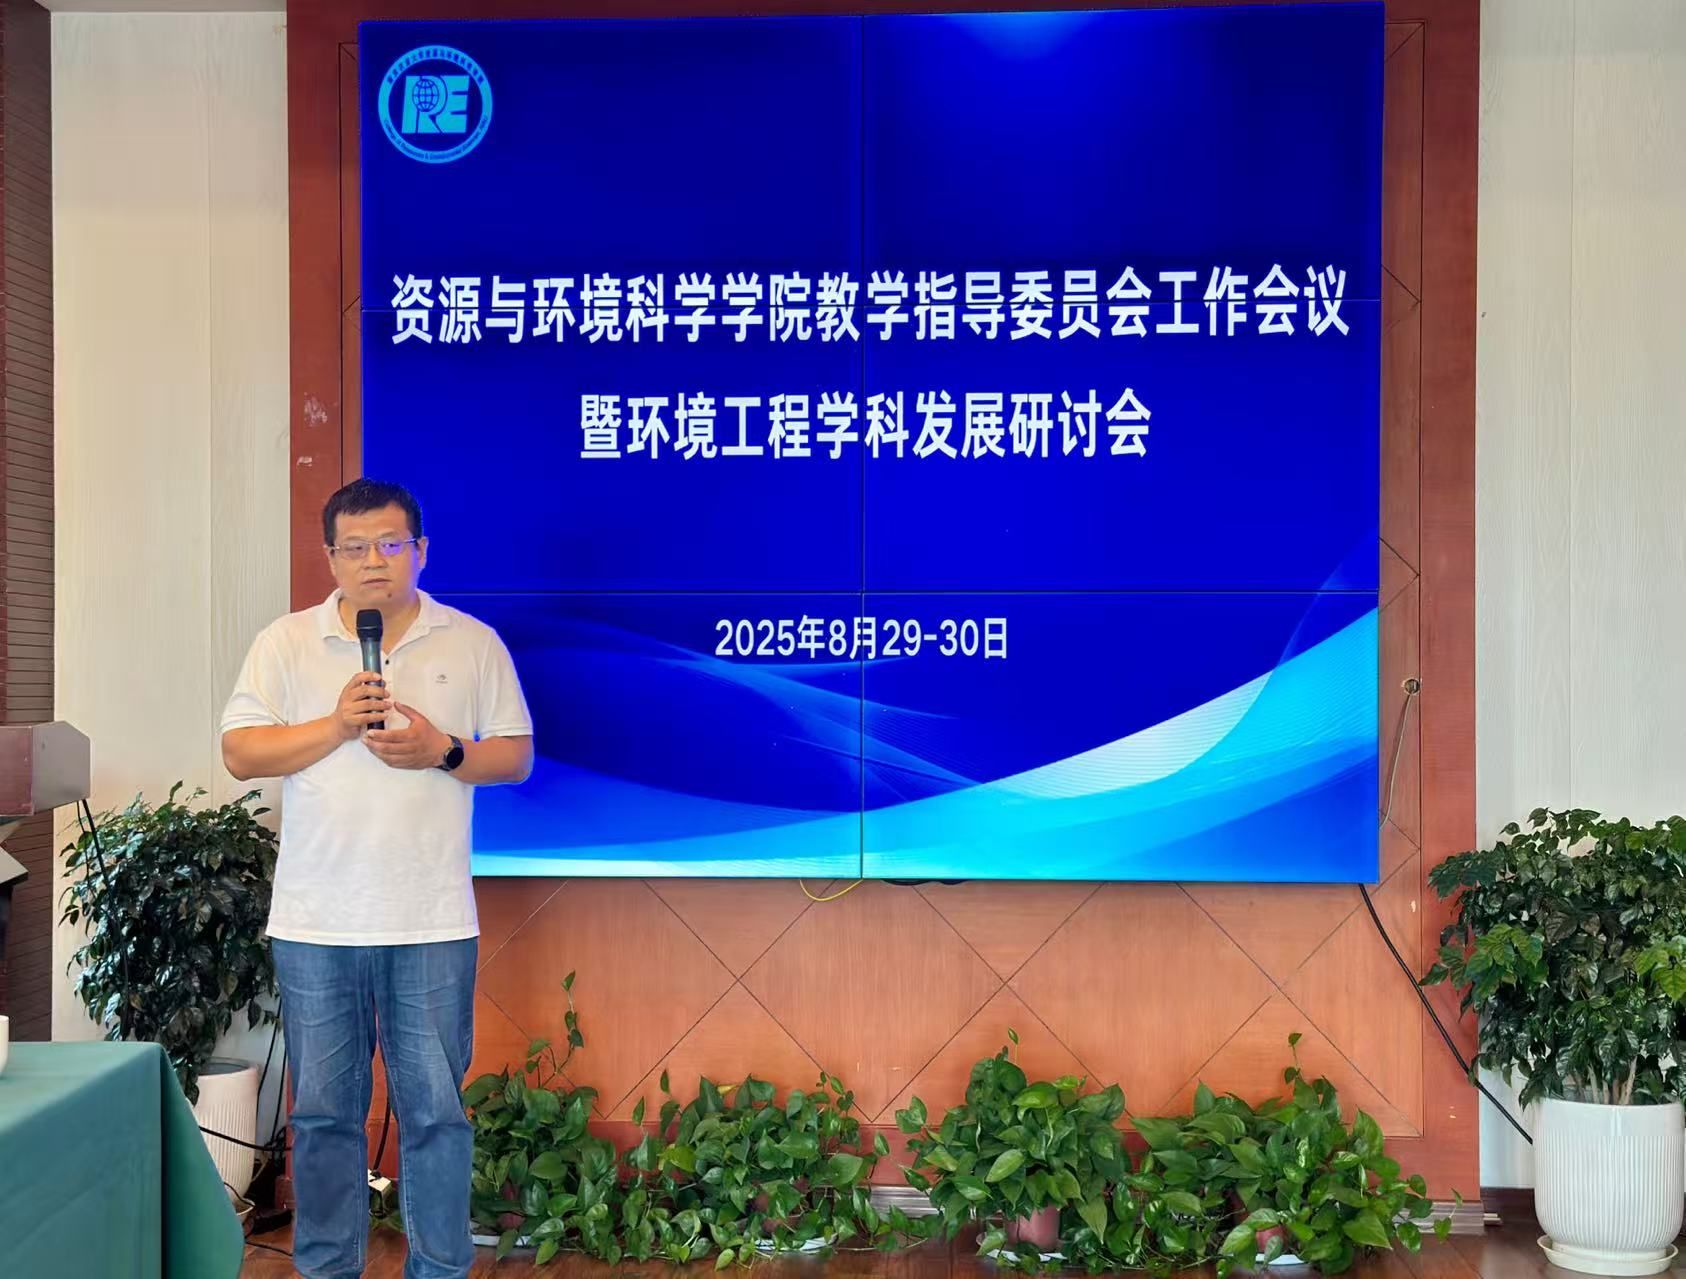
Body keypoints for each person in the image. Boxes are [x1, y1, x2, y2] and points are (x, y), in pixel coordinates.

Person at [221, 478, 533, 1279]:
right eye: (354, 547)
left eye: (391, 544)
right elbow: (240, 752)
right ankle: (329, 1267)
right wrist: (335, 725)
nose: (373, 561)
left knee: (436, 1113)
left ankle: (439, 1267)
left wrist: (443, 750)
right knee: (325, 1116)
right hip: (317, 922)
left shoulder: (472, 643)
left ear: (420, 550)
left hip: (431, 920)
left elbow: (515, 755)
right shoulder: (285, 643)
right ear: (330, 557)